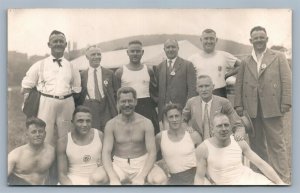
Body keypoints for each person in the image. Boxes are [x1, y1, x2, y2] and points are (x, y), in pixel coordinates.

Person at [234, 26, 292, 183]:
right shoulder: (246, 61)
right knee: (256, 145)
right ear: (250, 40)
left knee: (277, 144)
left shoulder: (278, 56)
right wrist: (238, 105)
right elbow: (238, 84)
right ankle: (261, 176)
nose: (259, 40)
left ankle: (282, 178)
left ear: (267, 39)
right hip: (252, 110)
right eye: (255, 38)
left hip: (272, 108)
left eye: (261, 37)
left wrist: (286, 102)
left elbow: (287, 81)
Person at [21, 30, 81, 146]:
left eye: (61, 41)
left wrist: (67, 99)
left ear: (65, 45)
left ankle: (66, 162)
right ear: (49, 44)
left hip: (66, 103)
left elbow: (77, 89)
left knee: (67, 137)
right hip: (46, 103)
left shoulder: (71, 66)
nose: (58, 44)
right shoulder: (40, 65)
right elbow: (25, 86)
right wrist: (29, 104)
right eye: (55, 41)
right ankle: (45, 162)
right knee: (44, 136)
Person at [194, 113, 285, 185]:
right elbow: (199, 177)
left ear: (230, 127)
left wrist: (279, 182)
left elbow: (261, 164)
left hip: (249, 179)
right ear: (212, 129)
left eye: (226, 125)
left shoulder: (239, 142)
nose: (224, 129)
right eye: (219, 126)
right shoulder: (204, 148)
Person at [102, 87, 168, 185]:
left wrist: (141, 177)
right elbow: (106, 153)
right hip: (119, 165)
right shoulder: (111, 124)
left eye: (130, 101)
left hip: (142, 163)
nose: (127, 104)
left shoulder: (146, 123)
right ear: (118, 103)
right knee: (96, 178)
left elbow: (152, 152)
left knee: (160, 179)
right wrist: (113, 177)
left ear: (136, 101)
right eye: (123, 101)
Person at [115, 40, 159, 134]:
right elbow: (117, 96)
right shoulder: (120, 72)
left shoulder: (149, 70)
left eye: (138, 51)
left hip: (146, 107)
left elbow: (154, 93)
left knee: (150, 134)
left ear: (142, 52)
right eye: (132, 51)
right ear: (127, 52)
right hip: (128, 107)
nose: (135, 54)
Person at [183, 75, 245, 142]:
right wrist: (187, 128)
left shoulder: (224, 102)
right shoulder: (191, 102)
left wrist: (238, 134)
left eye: (207, 86)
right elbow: (182, 121)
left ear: (213, 87)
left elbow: (238, 124)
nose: (204, 89)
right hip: (199, 143)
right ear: (196, 89)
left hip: (220, 142)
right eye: (201, 86)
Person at [57, 106, 108, 185]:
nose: (85, 124)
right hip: (74, 180)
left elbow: (107, 163)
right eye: (80, 121)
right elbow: (62, 175)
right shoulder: (63, 142)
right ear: (72, 122)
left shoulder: (100, 135)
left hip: (98, 180)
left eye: (88, 121)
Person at [155, 103, 202, 185]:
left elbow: (203, 159)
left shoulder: (193, 135)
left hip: (193, 178)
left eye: (177, 116)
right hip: (173, 179)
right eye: (171, 117)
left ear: (182, 117)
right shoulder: (160, 137)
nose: (174, 119)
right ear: (166, 119)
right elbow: (151, 156)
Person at [75, 45, 118, 131]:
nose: (96, 57)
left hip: (106, 107)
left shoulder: (109, 73)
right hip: (90, 107)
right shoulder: (82, 75)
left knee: (108, 131)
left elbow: (116, 93)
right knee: (93, 133)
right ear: (87, 57)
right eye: (93, 54)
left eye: (99, 54)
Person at [154, 39, 197, 124]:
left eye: (173, 47)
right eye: (168, 47)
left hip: (182, 110)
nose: (170, 49)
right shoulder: (159, 67)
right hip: (164, 111)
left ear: (178, 48)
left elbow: (192, 90)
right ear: (164, 49)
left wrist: (187, 110)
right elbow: (158, 90)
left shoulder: (187, 65)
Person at [188, 29, 241, 98]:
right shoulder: (192, 59)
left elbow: (242, 65)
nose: (209, 41)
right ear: (201, 40)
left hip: (219, 93)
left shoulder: (224, 56)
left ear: (216, 40)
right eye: (206, 38)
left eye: (212, 39)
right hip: (199, 94)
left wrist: (227, 75)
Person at [8, 117, 55, 185]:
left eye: (40, 131)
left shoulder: (52, 152)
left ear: (45, 133)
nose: (37, 134)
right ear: (27, 134)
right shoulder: (15, 155)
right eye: (33, 132)